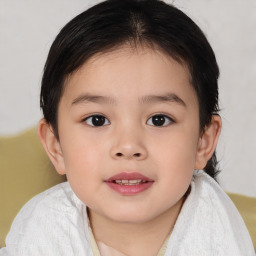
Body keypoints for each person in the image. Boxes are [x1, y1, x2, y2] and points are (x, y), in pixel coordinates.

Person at [1, 0, 254, 255]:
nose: (129, 146)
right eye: (97, 120)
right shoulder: (37, 237)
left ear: (203, 141)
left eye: (159, 119)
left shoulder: (225, 242)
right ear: (56, 146)